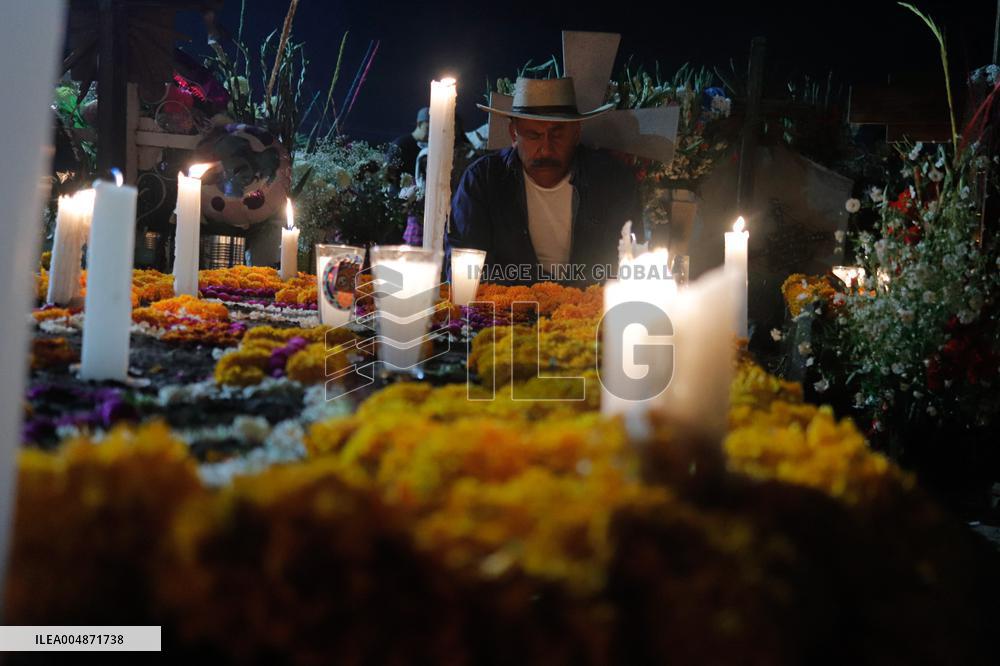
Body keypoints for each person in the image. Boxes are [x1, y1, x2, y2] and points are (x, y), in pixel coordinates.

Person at [448, 77, 641, 285]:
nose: (546, 149)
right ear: (513, 134)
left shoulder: (612, 180)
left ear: (576, 133)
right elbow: (462, 266)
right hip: (510, 304)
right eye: (533, 135)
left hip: (593, 302)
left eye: (557, 135)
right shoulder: (482, 180)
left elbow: (633, 259)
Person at [386, 107, 429, 187]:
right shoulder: (400, 144)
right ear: (419, 124)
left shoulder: (428, 148)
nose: (431, 132)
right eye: (428, 128)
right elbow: (389, 176)